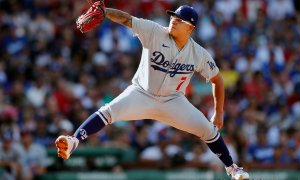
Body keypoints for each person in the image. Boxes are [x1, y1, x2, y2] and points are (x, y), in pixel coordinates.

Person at [55, 4, 249, 179]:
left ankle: (232, 169)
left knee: (208, 129)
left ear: (190, 28)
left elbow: (217, 79)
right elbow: (127, 19)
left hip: (173, 101)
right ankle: (74, 140)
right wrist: (105, 12)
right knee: (108, 111)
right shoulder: (155, 32)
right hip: (142, 93)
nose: (173, 21)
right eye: (173, 17)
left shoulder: (198, 54)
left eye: (179, 21)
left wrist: (219, 111)